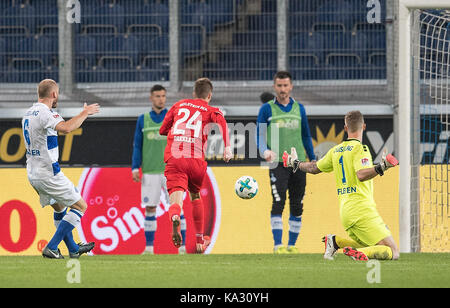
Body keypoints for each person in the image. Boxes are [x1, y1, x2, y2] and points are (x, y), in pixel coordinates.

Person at [283, 110, 400, 261]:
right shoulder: (361, 149)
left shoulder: (335, 151)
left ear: (345, 128)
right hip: (362, 210)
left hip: (346, 212)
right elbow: (361, 174)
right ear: (364, 126)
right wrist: (381, 167)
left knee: (368, 242)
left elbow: (313, 168)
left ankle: (335, 241)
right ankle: (363, 255)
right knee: (393, 250)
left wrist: (295, 163)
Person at [22, 79, 99, 259]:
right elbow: (66, 128)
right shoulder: (46, 113)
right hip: (49, 172)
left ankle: (73, 248)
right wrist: (85, 113)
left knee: (59, 208)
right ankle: (52, 247)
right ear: (53, 94)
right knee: (80, 206)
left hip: (33, 172)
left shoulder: (28, 113)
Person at [159, 77, 232, 253]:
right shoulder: (210, 109)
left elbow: (162, 130)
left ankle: (175, 216)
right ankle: (200, 241)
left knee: (176, 201)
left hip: (176, 158)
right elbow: (221, 120)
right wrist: (227, 147)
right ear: (209, 95)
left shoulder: (179, 105)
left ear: (193, 94)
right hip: (196, 160)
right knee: (195, 195)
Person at [256, 71, 316, 254]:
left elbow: (305, 135)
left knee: (297, 204)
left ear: (291, 86)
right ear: (275, 87)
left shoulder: (300, 108)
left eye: (285, 86)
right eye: (279, 86)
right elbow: (259, 135)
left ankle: (292, 246)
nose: (282, 89)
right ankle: (277, 245)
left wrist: (312, 158)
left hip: (299, 163)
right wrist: (264, 150)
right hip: (277, 163)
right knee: (278, 202)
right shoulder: (266, 109)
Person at [132, 84, 187, 254]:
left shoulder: (174, 117)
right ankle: (149, 248)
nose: (161, 99)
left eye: (163, 96)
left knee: (178, 207)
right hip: (150, 172)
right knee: (150, 208)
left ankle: (183, 247)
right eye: (157, 96)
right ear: (151, 98)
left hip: (171, 171)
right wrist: (135, 167)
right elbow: (137, 145)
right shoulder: (143, 119)